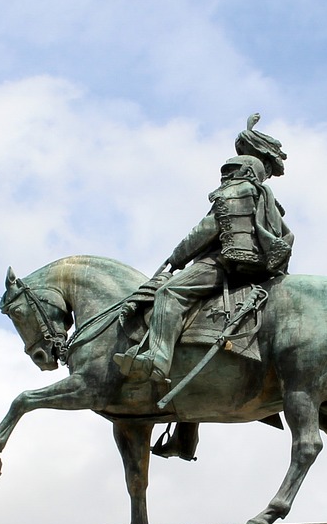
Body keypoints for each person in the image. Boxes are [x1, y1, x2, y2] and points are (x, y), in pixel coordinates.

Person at [115, 115, 293, 385]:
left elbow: (205, 231)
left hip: (224, 265)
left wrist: (176, 258)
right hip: (260, 270)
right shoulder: (267, 200)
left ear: (243, 172)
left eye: (230, 170)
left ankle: (158, 359)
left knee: (169, 292)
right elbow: (287, 236)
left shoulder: (234, 193)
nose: (225, 176)